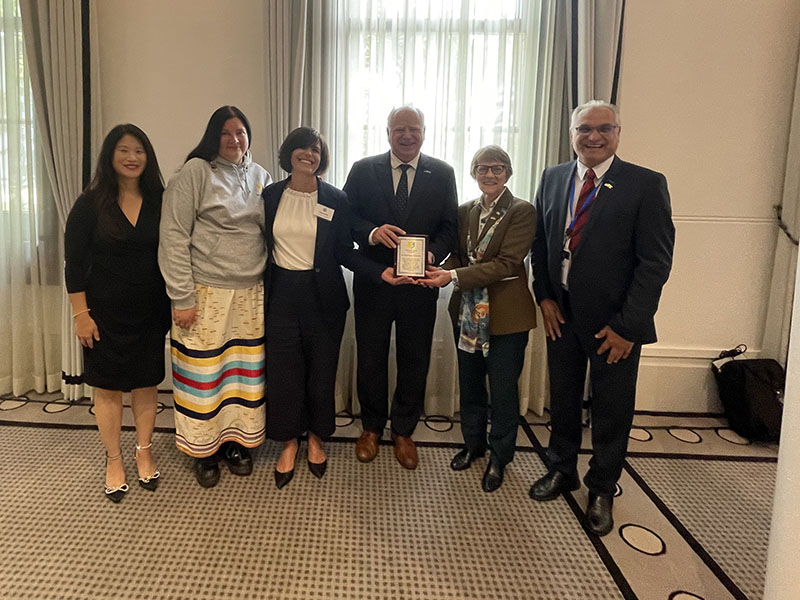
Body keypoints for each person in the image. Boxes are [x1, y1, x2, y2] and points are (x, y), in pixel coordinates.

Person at [529, 100, 675, 535]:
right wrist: (545, 298)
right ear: (571, 133)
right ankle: (562, 468)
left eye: (603, 129)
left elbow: (655, 263)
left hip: (615, 323)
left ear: (618, 132)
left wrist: (629, 326)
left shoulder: (645, 184)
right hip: (562, 313)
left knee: (612, 409)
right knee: (565, 397)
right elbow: (541, 243)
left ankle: (602, 487)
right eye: (584, 129)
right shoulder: (553, 178)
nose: (593, 137)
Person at [263, 127, 405, 489]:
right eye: (302, 148)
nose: (308, 155)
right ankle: (290, 440)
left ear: (321, 157)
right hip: (281, 295)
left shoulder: (335, 198)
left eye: (315, 150)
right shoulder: (269, 195)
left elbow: (344, 251)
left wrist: (379, 272)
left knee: (321, 371)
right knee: (285, 372)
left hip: (323, 296)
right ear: (289, 153)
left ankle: (316, 437)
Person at [159, 105, 272, 488]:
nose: (234, 139)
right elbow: (173, 235)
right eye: (226, 132)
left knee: (241, 377)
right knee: (204, 376)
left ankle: (237, 443)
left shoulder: (260, 175)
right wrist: (182, 297)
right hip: (204, 294)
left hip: (250, 293)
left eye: (240, 131)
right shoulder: (195, 172)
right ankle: (203, 449)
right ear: (213, 136)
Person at [343, 106, 458, 469]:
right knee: (371, 358)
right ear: (387, 131)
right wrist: (371, 232)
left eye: (414, 129)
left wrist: (433, 255)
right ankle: (372, 427)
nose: (407, 135)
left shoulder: (442, 173)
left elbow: (450, 228)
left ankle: (404, 430)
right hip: (374, 282)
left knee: (415, 358)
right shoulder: (363, 169)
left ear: (425, 131)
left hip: (419, 288)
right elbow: (346, 220)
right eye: (399, 129)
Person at [420, 145, 537, 492]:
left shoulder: (522, 211)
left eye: (497, 169)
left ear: (509, 174)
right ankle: (473, 445)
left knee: (502, 391)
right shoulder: (465, 211)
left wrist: (451, 277)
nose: (490, 175)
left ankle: (500, 457)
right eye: (483, 168)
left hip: (507, 317)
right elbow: (460, 254)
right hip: (468, 313)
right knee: (470, 387)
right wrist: (435, 269)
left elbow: (507, 263)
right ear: (473, 173)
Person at [65, 124, 171, 503]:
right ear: (110, 156)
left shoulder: (162, 198)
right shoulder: (90, 202)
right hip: (103, 313)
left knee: (145, 384)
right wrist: (81, 314)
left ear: (148, 156)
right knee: (107, 389)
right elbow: (73, 263)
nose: (131, 157)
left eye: (139, 150)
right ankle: (113, 459)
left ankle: (144, 451)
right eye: (123, 150)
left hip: (150, 309)